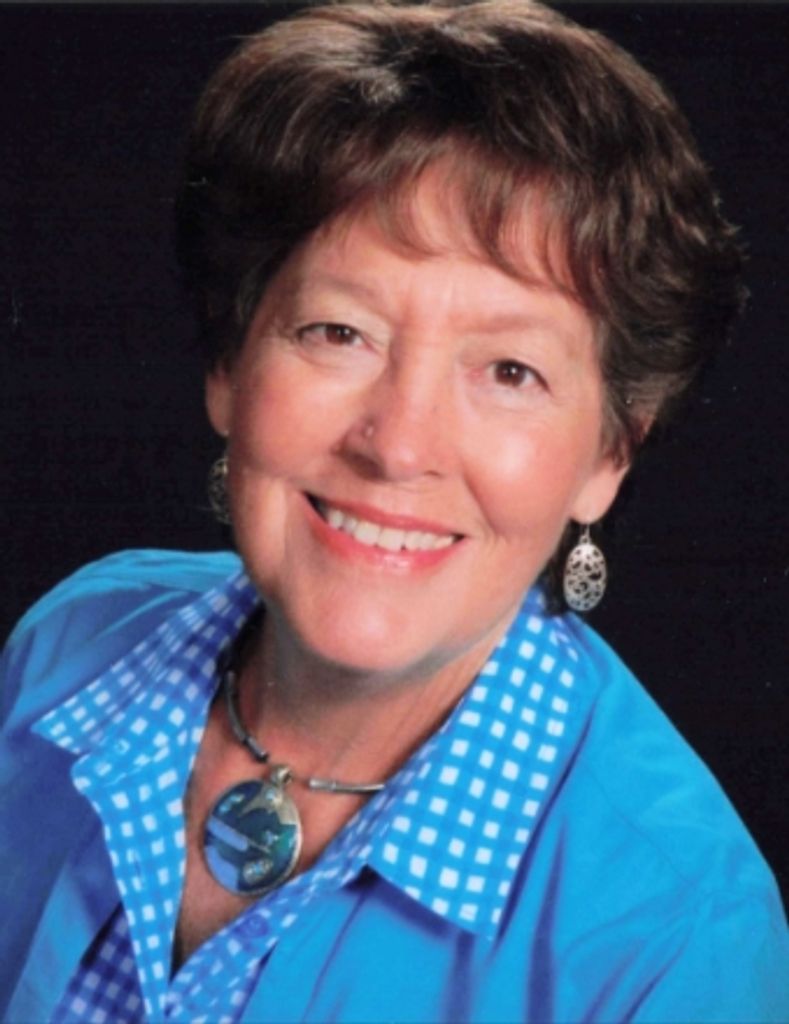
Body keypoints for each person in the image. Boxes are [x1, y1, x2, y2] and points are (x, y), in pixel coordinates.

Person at [1, 0, 787, 1020]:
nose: (398, 444)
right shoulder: (68, 649)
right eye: (339, 332)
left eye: (509, 370)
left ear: (608, 456)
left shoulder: (677, 938)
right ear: (231, 365)